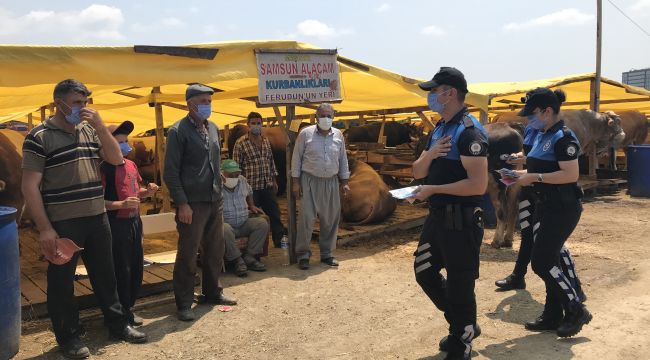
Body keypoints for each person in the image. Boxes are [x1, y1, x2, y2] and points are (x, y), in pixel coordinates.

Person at [21, 79, 147, 359]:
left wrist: (101, 127)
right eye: (77, 102)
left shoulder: (91, 130)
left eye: (85, 102)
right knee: (62, 282)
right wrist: (44, 229)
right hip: (64, 223)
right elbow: (29, 186)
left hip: (97, 217)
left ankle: (117, 323)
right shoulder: (39, 137)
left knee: (106, 275)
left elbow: (115, 160)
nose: (83, 108)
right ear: (59, 103)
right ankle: (69, 337)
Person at [412, 67, 488, 360]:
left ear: (450, 93)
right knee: (424, 271)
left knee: (460, 281)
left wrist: (432, 189)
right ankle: (463, 323)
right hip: (438, 215)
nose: (431, 96)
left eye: (435, 90)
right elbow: (417, 171)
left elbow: (477, 185)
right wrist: (429, 156)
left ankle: (462, 339)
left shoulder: (469, 132)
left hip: (462, 220)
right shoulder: (439, 129)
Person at [503, 88, 591, 337]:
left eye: (532, 113)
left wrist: (535, 176)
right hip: (545, 205)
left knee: (542, 262)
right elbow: (534, 168)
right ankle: (553, 315)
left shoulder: (564, 137)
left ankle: (575, 308)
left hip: (563, 208)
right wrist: (516, 175)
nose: (528, 119)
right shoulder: (542, 135)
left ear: (547, 111)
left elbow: (570, 174)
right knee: (550, 258)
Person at [164, 83, 237, 322]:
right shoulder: (177, 131)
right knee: (188, 252)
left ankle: (212, 292)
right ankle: (184, 303)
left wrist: (220, 186)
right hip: (192, 204)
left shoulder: (213, 128)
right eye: (204, 101)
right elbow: (171, 172)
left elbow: (215, 162)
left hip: (214, 198)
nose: (208, 106)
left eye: (209, 101)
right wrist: (182, 203)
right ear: (190, 104)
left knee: (216, 249)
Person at [494, 125, 587, 303]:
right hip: (529, 190)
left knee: (551, 244)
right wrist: (520, 158)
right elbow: (533, 154)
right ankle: (518, 276)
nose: (530, 117)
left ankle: (574, 288)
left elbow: (555, 165)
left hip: (546, 193)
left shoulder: (559, 134)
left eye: (533, 111)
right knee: (528, 235)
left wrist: (532, 173)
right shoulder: (532, 129)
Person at [101, 120, 159, 326]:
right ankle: (119, 313)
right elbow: (97, 202)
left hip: (135, 222)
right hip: (115, 224)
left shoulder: (132, 165)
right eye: (120, 142)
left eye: (126, 141)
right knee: (120, 269)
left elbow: (136, 192)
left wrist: (148, 191)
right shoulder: (103, 168)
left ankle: (128, 308)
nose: (126, 146)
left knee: (135, 267)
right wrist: (120, 204)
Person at [291, 103, 350, 270]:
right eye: (323, 115)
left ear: (333, 117)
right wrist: (295, 183)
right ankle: (303, 255)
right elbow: (297, 159)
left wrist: (344, 182)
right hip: (310, 180)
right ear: (316, 117)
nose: (326, 118)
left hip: (331, 181)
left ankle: (327, 254)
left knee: (330, 219)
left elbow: (342, 159)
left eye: (329, 115)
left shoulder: (338, 135)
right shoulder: (305, 134)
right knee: (307, 219)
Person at [232, 112, 286, 248]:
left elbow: (270, 161)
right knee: (250, 216)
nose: (256, 126)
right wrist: (241, 188)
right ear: (248, 125)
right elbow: (236, 168)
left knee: (275, 214)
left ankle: (279, 240)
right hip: (251, 188)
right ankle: (252, 246)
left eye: (258, 123)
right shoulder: (240, 144)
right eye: (253, 123)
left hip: (266, 185)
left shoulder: (266, 141)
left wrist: (274, 180)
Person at [220, 159, 269, 277]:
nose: (234, 177)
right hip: (227, 223)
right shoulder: (216, 183)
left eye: (236, 174)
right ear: (222, 173)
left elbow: (250, 191)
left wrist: (251, 205)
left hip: (243, 222)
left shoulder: (242, 180)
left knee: (262, 223)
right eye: (230, 175)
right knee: (223, 229)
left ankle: (249, 257)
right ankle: (237, 260)